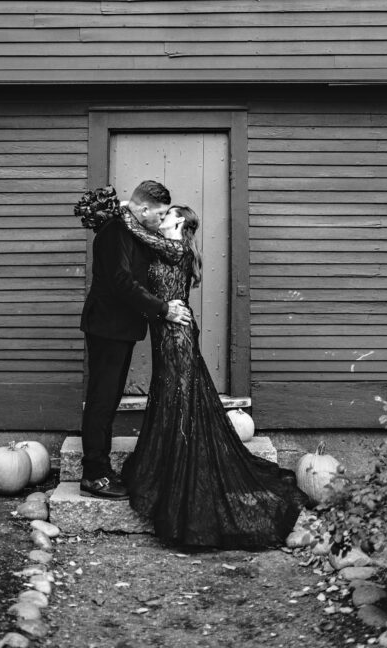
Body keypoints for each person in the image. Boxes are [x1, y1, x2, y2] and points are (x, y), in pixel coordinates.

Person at [119, 204, 308, 548]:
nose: (161, 218)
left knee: (180, 401)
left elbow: (139, 233)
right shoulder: (164, 248)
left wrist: (125, 214)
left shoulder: (176, 248)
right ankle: (168, 469)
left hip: (178, 337)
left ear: (180, 222)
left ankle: (183, 482)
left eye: (168, 214)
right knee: (170, 398)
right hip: (164, 337)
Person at [79, 180, 192, 500]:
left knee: (109, 397)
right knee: (102, 399)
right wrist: (163, 310)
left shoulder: (133, 230)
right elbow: (121, 283)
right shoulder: (115, 232)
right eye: (157, 214)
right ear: (142, 208)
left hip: (120, 329)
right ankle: (94, 475)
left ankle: (100, 469)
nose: (160, 219)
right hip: (107, 328)